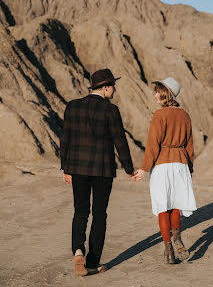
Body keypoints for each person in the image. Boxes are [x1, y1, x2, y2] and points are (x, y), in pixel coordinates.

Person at [60, 69, 135, 276]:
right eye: (113, 86)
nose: (114, 89)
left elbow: (65, 139)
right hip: (102, 170)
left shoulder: (72, 107)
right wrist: (129, 168)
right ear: (105, 88)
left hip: (77, 168)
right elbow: (120, 141)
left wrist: (65, 168)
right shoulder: (110, 110)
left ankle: (77, 251)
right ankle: (92, 263)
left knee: (80, 211)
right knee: (99, 213)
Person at [133, 77, 197, 264]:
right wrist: (189, 168)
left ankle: (169, 251)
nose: (155, 95)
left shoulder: (159, 115)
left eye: (157, 91)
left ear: (165, 93)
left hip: (162, 164)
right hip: (180, 164)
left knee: (163, 207)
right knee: (176, 204)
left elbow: (153, 144)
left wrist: (144, 168)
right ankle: (177, 238)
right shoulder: (185, 115)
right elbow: (190, 145)